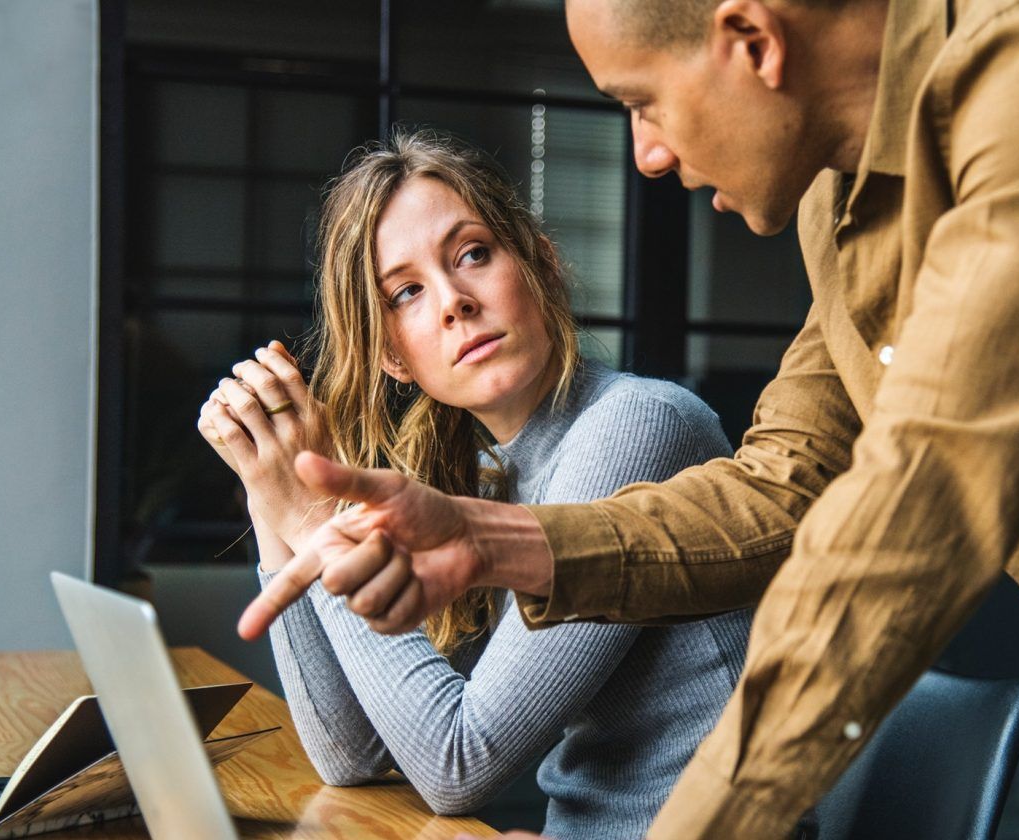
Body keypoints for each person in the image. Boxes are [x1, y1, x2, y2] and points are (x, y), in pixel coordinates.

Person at [242, 1, 1019, 838]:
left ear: (749, 39)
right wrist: (482, 541)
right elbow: (780, 488)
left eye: (639, 101)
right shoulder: (840, 203)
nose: (646, 155)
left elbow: (917, 510)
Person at [201, 129, 752, 840]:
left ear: (542, 264)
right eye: (406, 292)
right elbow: (355, 755)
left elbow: (457, 764)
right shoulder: (492, 477)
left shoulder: (637, 426)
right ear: (393, 359)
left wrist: (314, 520)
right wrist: (269, 485)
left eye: (473, 254)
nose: (452, 301)